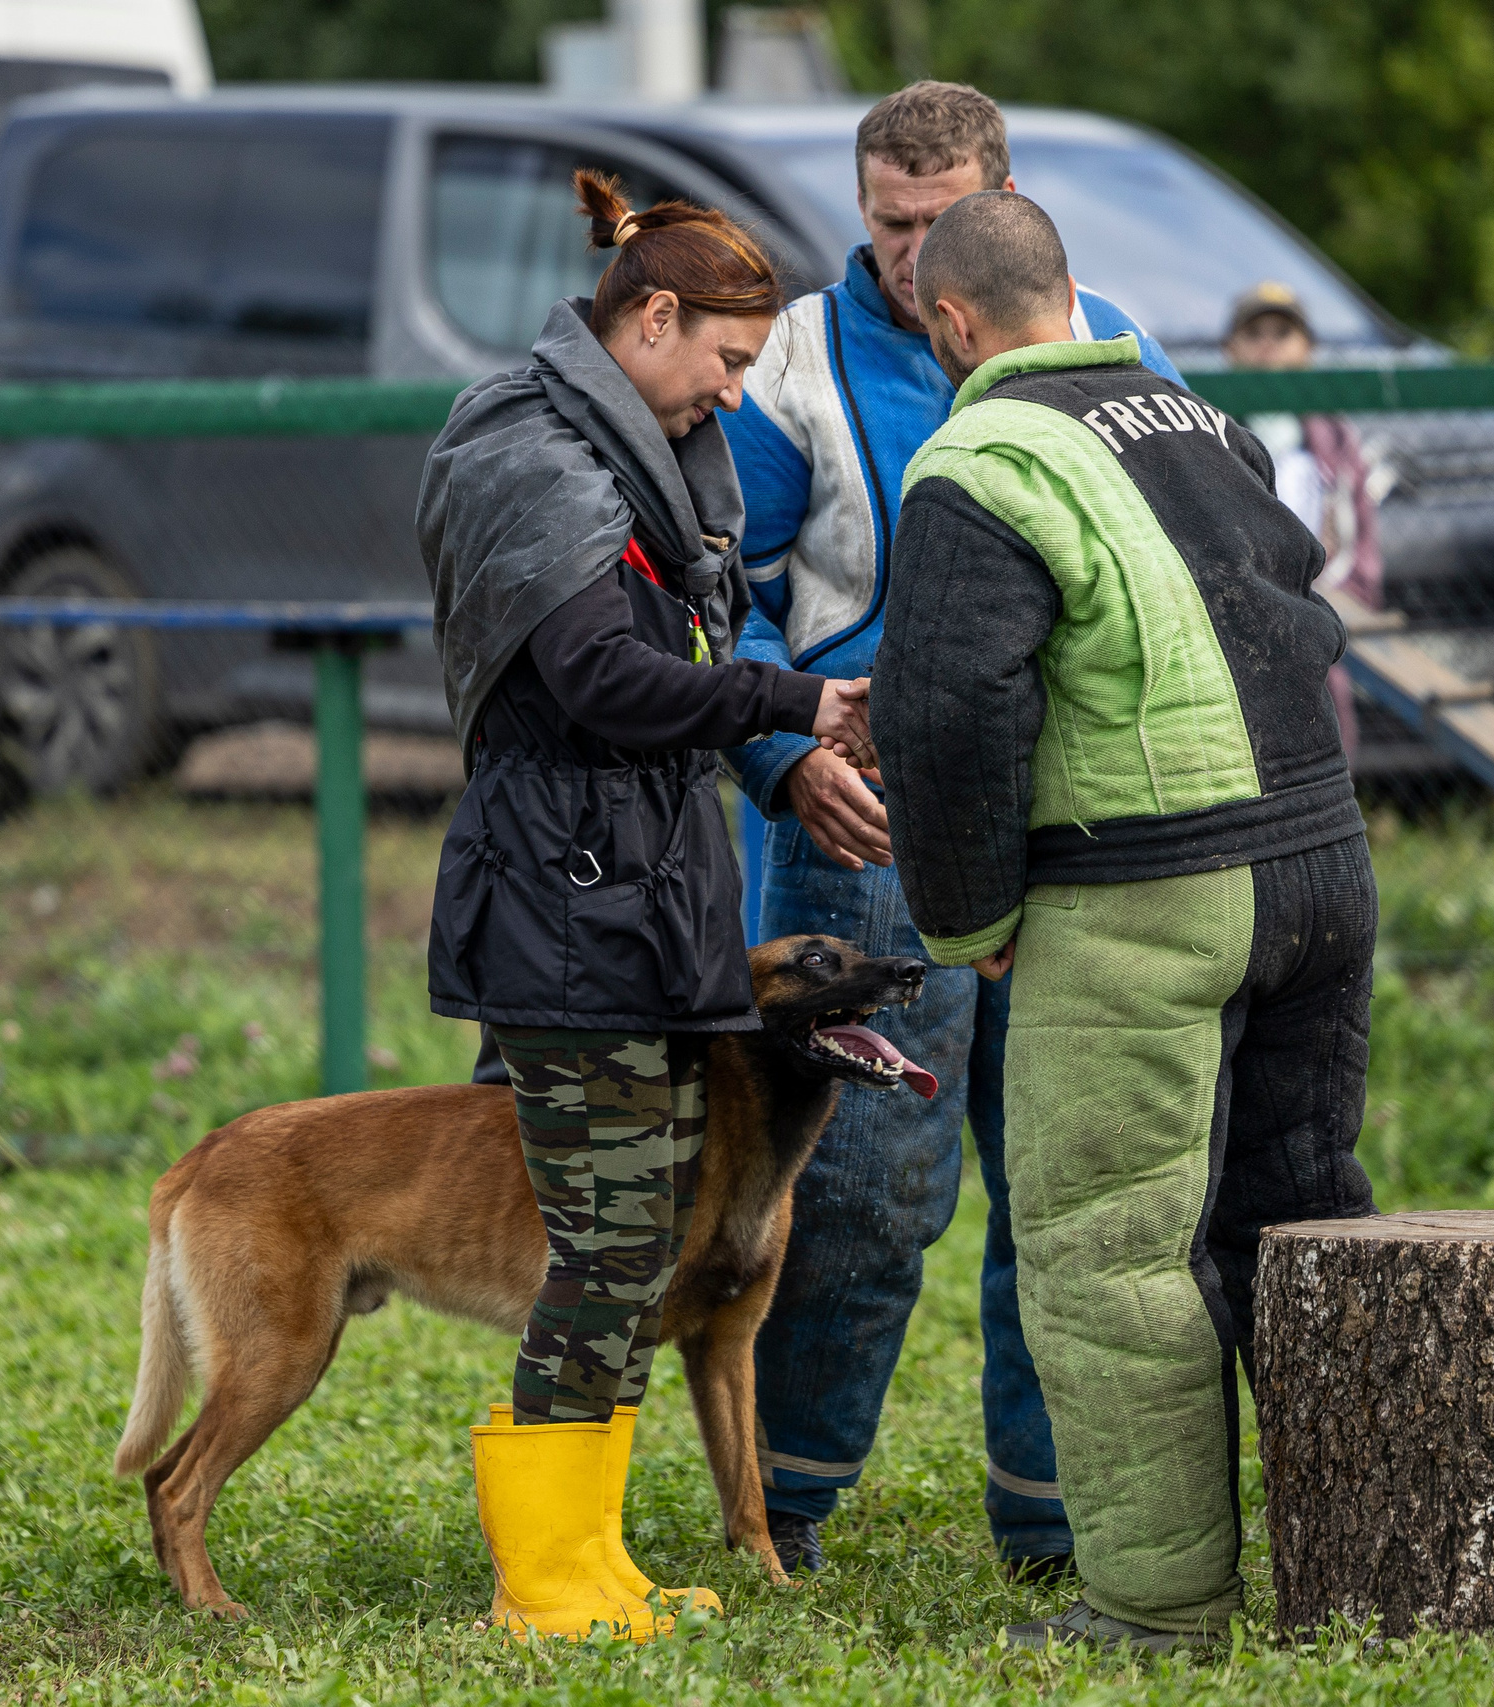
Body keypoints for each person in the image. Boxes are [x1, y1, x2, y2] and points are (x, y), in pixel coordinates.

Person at [872, 191, 1378, 1653]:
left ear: (951, 324)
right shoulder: (1204, 422)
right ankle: (1358, 1565)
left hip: (1149, 881)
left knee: (1108, 1249)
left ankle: (1159, 1609)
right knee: (1298, 1221)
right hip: (1324, 867)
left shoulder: (975, 458)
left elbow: (949, 705)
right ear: (1075, 294)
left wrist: (971, 919)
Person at [718, 77, 1179, 1584]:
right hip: (863, 837)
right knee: (855, 1190)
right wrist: (785, 754)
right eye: (887, 222)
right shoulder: (790, 357)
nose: (912, 255)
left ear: (1001, 198)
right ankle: (782, 1506)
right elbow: (723, 598)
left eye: (937, 222)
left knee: (1059, 1184)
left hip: (1072, 823)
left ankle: (1052, 1524)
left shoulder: (1099, 336)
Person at [415, 170, 873, 1641]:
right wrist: (787, 694)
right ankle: (546, 1583)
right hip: (560, 917)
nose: (733, 399)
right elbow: (603, 681)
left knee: (627, 1254)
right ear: (652, 317)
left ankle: (591, 1557)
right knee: (609, 1249)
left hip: (635, 908)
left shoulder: (629, 457)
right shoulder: (533, 458)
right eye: (726, 363)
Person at [1224, 281, 1383, 756]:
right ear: (1230, 347)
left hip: (1321, 604)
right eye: (1255, 333)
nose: (1268, 343)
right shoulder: (1208, 427)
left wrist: (1345, 600)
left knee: (1327, 730)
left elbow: (1360, 535)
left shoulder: (1335, 438)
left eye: (1282, 331)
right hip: (1239, 609)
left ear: (1307, 347)